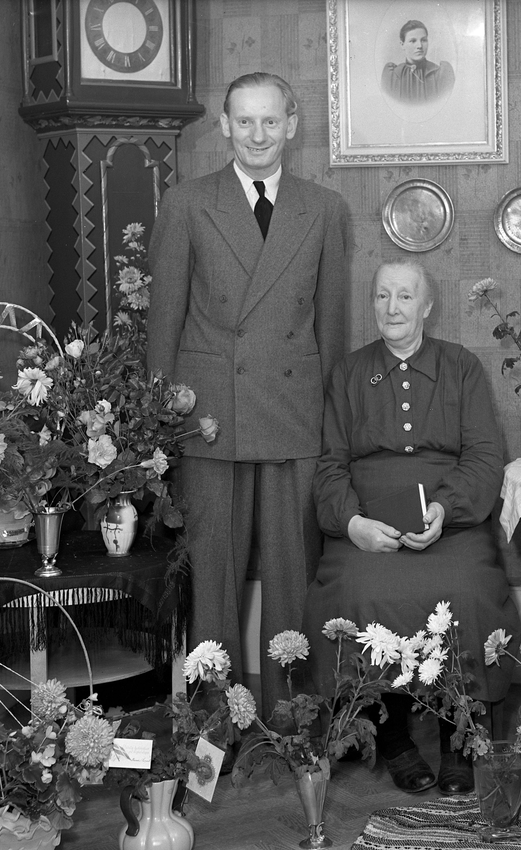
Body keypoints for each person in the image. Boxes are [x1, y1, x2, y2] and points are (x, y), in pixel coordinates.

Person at [147, 72, 351, 714]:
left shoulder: (325, 208)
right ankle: (215, 722)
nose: (257, 135)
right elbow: (164, 321)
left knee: (294, 574)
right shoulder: (187, 203)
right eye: (244, 121)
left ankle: (294, 716)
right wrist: (159, 417)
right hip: (209, 413)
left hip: (294, 412)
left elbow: (332, 327)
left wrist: (333, 422)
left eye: (269, 121)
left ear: (291, 124)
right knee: (212, 577)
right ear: (225, 126)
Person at [303, 259, 518, 795]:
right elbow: (330, 465)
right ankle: (391, 735)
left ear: (427, 306)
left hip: (450, 523)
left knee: (466, 588)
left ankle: (458, 737)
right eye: (382, 296)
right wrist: (353, 524)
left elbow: (485, 456)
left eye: (404, 296)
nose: (392, 307)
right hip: (366, 522)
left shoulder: (461, 366)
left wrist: (445, 510)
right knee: (357, 590)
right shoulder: (349, 373)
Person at [381, 19, 455, 104]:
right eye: (413, 41)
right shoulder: (393, 76)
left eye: (423, 40)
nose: (419, 46)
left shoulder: (440, 74)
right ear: (402, 45)